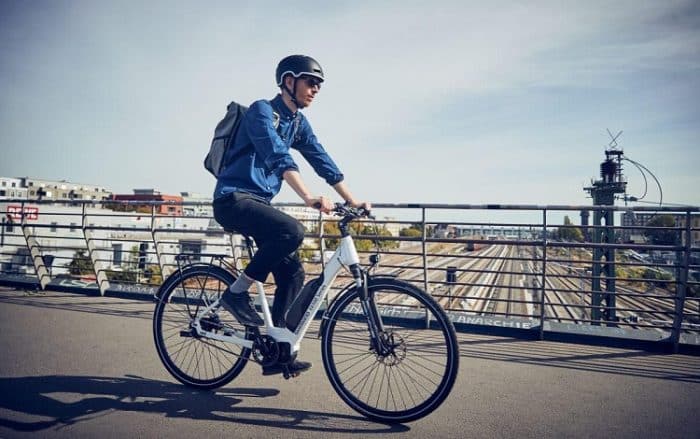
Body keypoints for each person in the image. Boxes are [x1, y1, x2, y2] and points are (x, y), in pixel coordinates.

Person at [212, 54, 370, 376]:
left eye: (319, 85)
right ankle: (236, 294)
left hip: (259, 204)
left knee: (294, 273)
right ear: (288, 81)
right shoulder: (262, 111)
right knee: (292, 231)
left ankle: (278, 351)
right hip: (233, 199)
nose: (315, 89)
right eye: (310, 82)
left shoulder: (298, 123)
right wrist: (309, 197)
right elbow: (277, 155)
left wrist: (354, 201)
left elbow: (320, 158)